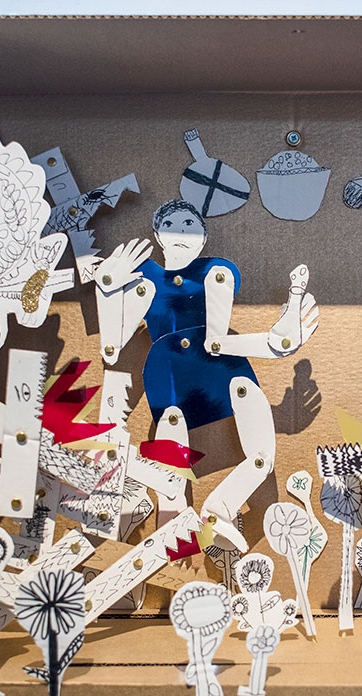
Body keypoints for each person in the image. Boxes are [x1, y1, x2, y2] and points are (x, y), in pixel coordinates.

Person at [91, 200, 318, 550]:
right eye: (171, 224)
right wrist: (106, 290)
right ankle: (172, 532)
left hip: (223, 368)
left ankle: (220, 509)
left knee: (261, 455)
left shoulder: (216, 271)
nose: (182, 232)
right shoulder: (145, 277)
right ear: (157, 235)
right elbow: (112, 348)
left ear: (204, 235)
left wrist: (282, 341)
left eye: (189, 224)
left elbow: (219, 341)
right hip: (170, 374)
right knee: (171, 446)